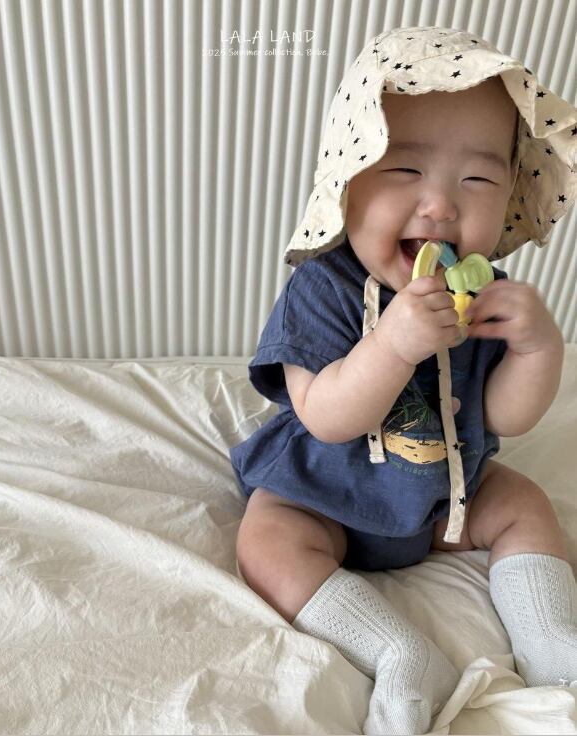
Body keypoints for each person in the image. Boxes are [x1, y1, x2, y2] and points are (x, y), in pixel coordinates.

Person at [229, 26, 577, 735]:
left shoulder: (482, 293)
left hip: (443, 497)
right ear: (346, 184)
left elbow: (505, 417)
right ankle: (399, 651)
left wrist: (538, 348)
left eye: (478, 179)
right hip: (325, 494)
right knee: (265, 542)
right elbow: (327, 416)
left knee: (523, 502)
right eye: (404, 170)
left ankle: (551, 641)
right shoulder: (323, 287)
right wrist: (392, 344)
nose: (441, 205)